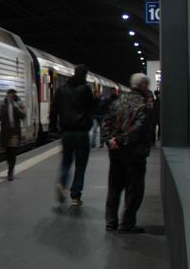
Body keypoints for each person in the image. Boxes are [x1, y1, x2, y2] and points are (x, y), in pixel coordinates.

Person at [102, 73, 155, 233]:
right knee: (134, 190)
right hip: (134, 154)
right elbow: (138, 129)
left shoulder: (117, 102)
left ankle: (111, 223)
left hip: (116, 154)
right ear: (144, 86)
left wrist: (111, 140)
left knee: (114, 188)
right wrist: (119, 140)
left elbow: (106, 123)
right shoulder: (143, 106)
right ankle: (127, 224)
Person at [49, 64, 96, 206]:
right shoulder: (86, 89)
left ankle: (62, 183)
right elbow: (92, 107)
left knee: (66, 161)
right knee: (80, 165)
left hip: (66, 133)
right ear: (85, 75)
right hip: (81, 133)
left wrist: (53, 127)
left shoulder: (61, 90)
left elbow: (54, 110)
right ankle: (75, 196)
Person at [0, 88, 26, 181]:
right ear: (7, 94)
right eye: (10, 94)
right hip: (5, 132)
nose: (11, 96)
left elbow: (23, 115)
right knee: (7, 151)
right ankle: (9, 166)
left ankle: (10, 172)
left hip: (14, 132)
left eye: (13, 94)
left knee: (12, 151)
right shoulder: (3, 104)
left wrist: (17, 107)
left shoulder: (19, 103)